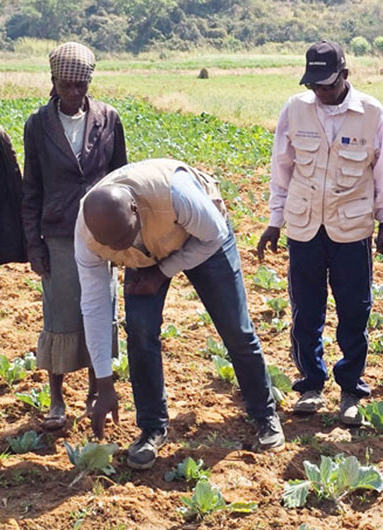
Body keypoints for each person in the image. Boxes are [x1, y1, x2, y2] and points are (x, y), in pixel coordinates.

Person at [80, 158, 285, 470]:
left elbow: (214, 234)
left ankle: (264, 414)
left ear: (135, 210)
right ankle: (152, 428)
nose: (123, 246)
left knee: (235, 329)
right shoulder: (89, 236)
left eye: (126, 237)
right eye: (115, 245)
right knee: (140, 332)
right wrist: (105, 384)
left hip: (203, 240)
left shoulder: (176, 193)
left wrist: (162, 273)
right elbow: (94, 305)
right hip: (145, 260)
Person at [257, 40, 383, 425]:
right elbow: (281, 168)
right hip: (304, 225)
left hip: (351, 227)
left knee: (354, 309)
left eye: (328, 84)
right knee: (306, 308)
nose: (320, 92)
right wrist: (274, 221)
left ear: (345, 76)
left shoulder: (370, 113)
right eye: (314, 85)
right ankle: (311, 383)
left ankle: (350, 387)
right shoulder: (295, 109)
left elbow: (382, 171)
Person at [21, 42, 127, 430]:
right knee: (61, 316)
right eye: (66, 85)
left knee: (99, 311)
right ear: (53, 82)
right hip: (60, 233)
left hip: (100, 233)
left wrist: (123, 241)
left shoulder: (108, 119)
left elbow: (122, 179)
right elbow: (31, 187)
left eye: (81, 85)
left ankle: (95, 391)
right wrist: (34, 244)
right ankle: (56, 399)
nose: (74, 93)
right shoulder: (38, 125)